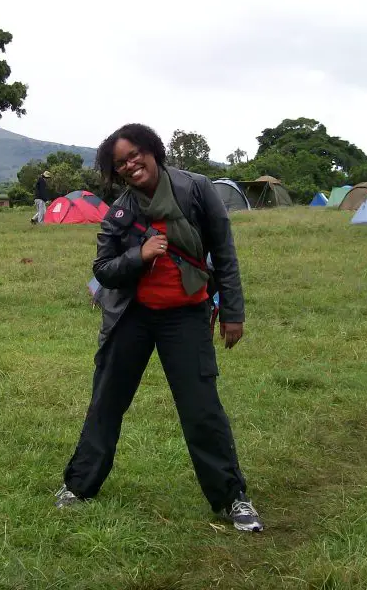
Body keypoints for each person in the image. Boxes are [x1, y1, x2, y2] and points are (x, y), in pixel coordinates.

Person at [55, 123, 262, 533]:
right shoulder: (120, 211)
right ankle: (79, 486)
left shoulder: (197, 189)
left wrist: (233, 312)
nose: (130, 165)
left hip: (186, 315)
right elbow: (103, 271)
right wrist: (139, 254)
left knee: (201, 409)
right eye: (120, 163)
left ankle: (233, 497)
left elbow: (224, 251)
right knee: (107, 402)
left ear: (153, 150)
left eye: (134, 154)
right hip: (132, 316)